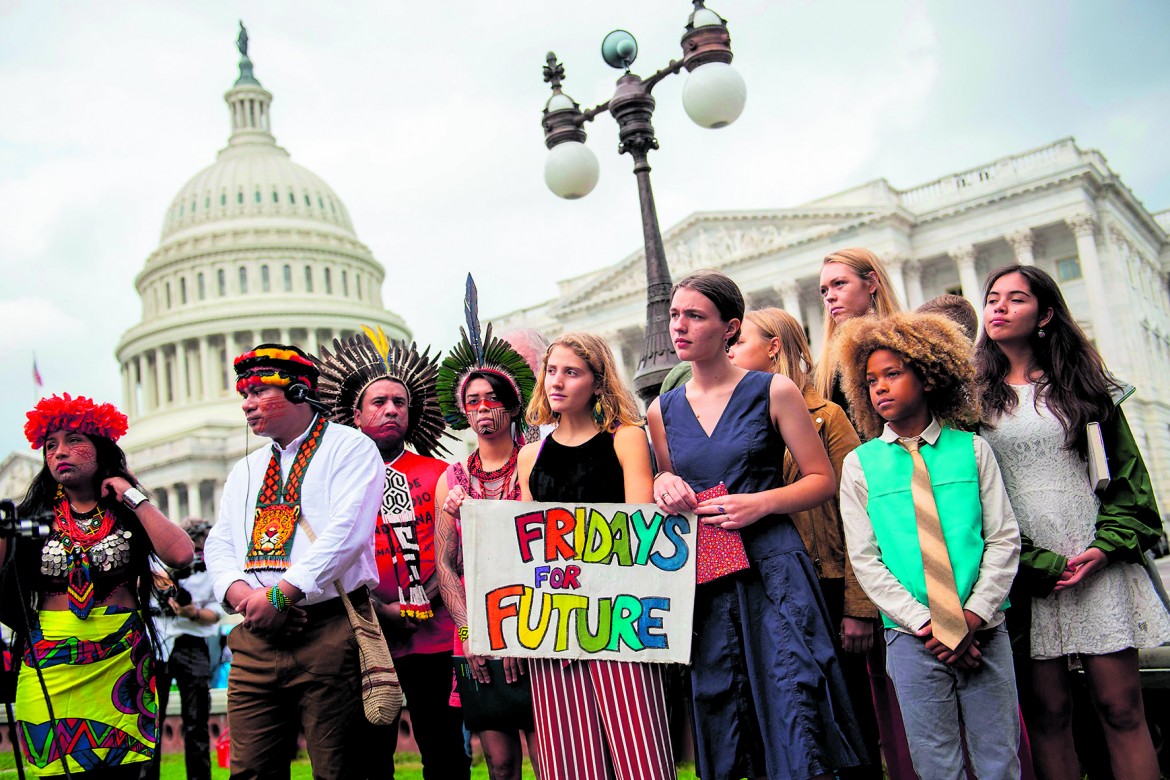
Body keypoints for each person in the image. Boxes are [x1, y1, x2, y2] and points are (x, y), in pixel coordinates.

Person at [649, 270, 864, 780]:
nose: (679, 326)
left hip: (774, 568)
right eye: (675, 315)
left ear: (730, 327)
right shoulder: (660, 410)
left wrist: (761, 503)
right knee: (724, 705)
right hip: (706, 577)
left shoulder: (774, 390)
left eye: (694, 316)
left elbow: (822, 479)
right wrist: (662, 483)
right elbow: (666, 484)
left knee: (793, 693)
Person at [976, 264, 1170, 780]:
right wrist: (1035, 560)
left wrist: (1104, 548)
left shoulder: (1085, 390)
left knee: (1122, 709)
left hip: (1096, 562)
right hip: (1023, 570)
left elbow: (1132, 487)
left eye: (1015, 299)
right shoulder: (969, 400)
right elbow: (970, 499)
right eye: (993, 298)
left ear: (1046, 314)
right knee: (1048, 714)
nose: (998, 306)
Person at [835, 311, 1023, 779]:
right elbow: (866, 560)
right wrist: (928, 623)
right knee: (936, 763)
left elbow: (1003, 539)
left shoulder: (973, 451)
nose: (879, 387)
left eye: (893, 374)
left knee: (999, 758)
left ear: (927, 374)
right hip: (911, 638)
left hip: (986, 630)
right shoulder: (860, 466)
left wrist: (973, 614)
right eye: (871, 379)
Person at [204, 344, 384, 780]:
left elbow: (347, 534)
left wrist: (282, 596)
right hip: (254, 636)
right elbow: (219, 542)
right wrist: (243, 596)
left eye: (258, 391)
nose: (246, 404)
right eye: (243, 394)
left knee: (339, 770)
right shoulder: (245, 469)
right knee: (250, 772)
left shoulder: (351, 449)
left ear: (301, 391)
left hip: (330, 629)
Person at [727, 306, 883, 780]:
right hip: (772, 584)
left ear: (773, 347)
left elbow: (859, 516)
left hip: (828, 583)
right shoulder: (733, 425)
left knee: (847, 716)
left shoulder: (825, 415)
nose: (730, 351)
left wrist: (859, 606)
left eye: (741, 341)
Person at [4, 393, 194, 778]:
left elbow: (181, 554)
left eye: (74, 441)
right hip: (48, 663)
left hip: (122, 663)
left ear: (101, 448)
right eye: (51, 445)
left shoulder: (128, 510)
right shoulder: (27, 519)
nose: (60, 452)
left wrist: (133, 496)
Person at [517, 332, 676, 780]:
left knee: (639, 751)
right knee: (568, 757)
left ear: (597, 380)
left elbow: (641, 529)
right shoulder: (531, 457)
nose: (557, 382)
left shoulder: (625, 438)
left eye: (572, 372)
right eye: (552, 371)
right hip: (554, 621)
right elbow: (529, 546)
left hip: (620, 616)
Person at [315, 328, 468, 780]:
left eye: (399, 403)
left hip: (438, 636)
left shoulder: (443, 473)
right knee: (370, 759)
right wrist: (380, 610)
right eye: (378, 402)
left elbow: (459, 551)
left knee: (444, 753)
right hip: (365, 636)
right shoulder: (334, 486)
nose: (390, 410)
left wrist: (424, 601)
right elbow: (327, 557)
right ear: (356, 416)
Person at [434, 298, 540, 780]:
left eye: (493, 398)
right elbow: (445, 564)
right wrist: (472, 634)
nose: (483, 410)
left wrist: (524, 633)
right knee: (499, 764)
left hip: (540, 624)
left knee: (550, 757)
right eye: (472, 401)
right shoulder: (451, 479)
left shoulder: (537, 460)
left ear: (514, 403)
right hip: (475, 629)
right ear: (462, 410)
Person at [149, 518, 220, 780]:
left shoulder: (212, 570)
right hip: (159, 640)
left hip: (193, 641)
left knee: (196, 720)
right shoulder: (158, 563)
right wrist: (164, 583)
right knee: (152, 720)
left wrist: (194, 612)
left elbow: (216, 613)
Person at [814, 247, 902, 408]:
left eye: (839, 284)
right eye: (824, 291)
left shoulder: (907, 348)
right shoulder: (823, 372)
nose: (830, 297)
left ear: (871, 283)